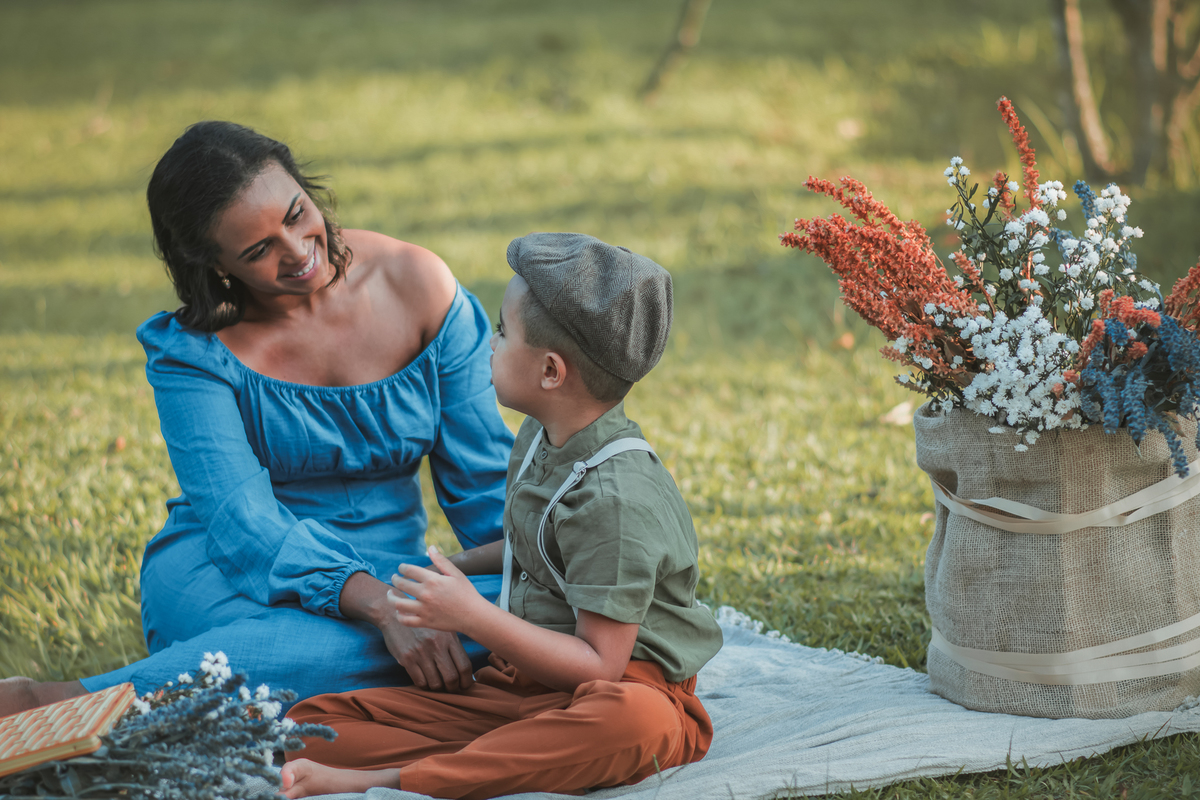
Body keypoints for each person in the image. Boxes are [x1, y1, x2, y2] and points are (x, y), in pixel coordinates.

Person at [0, 122, 514, 717]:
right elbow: (244, 524)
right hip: (234, 573)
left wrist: (558, 568)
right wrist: (383, 607)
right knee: (327, 650)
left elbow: (484, 488)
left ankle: (226, 688)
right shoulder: (194, 353)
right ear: (214, 265)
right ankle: (58, 704)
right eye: (258, 250)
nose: (298, 252)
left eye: (296, 215)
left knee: (524, 613)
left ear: (305, 188)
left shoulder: (419, 286)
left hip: (391, 571)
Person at [280, 232, 724, 800]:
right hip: (523, 685)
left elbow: (600, 666)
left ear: (550, 373)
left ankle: (390, 780)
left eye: (502, 331)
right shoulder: (540, 437)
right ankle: (516, 757)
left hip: (626, 687)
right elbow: (533, 549)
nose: (490, 343)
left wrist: (471, 616)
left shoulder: (617, 499)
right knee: (307, 729)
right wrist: (451, 568)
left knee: (635, 724)